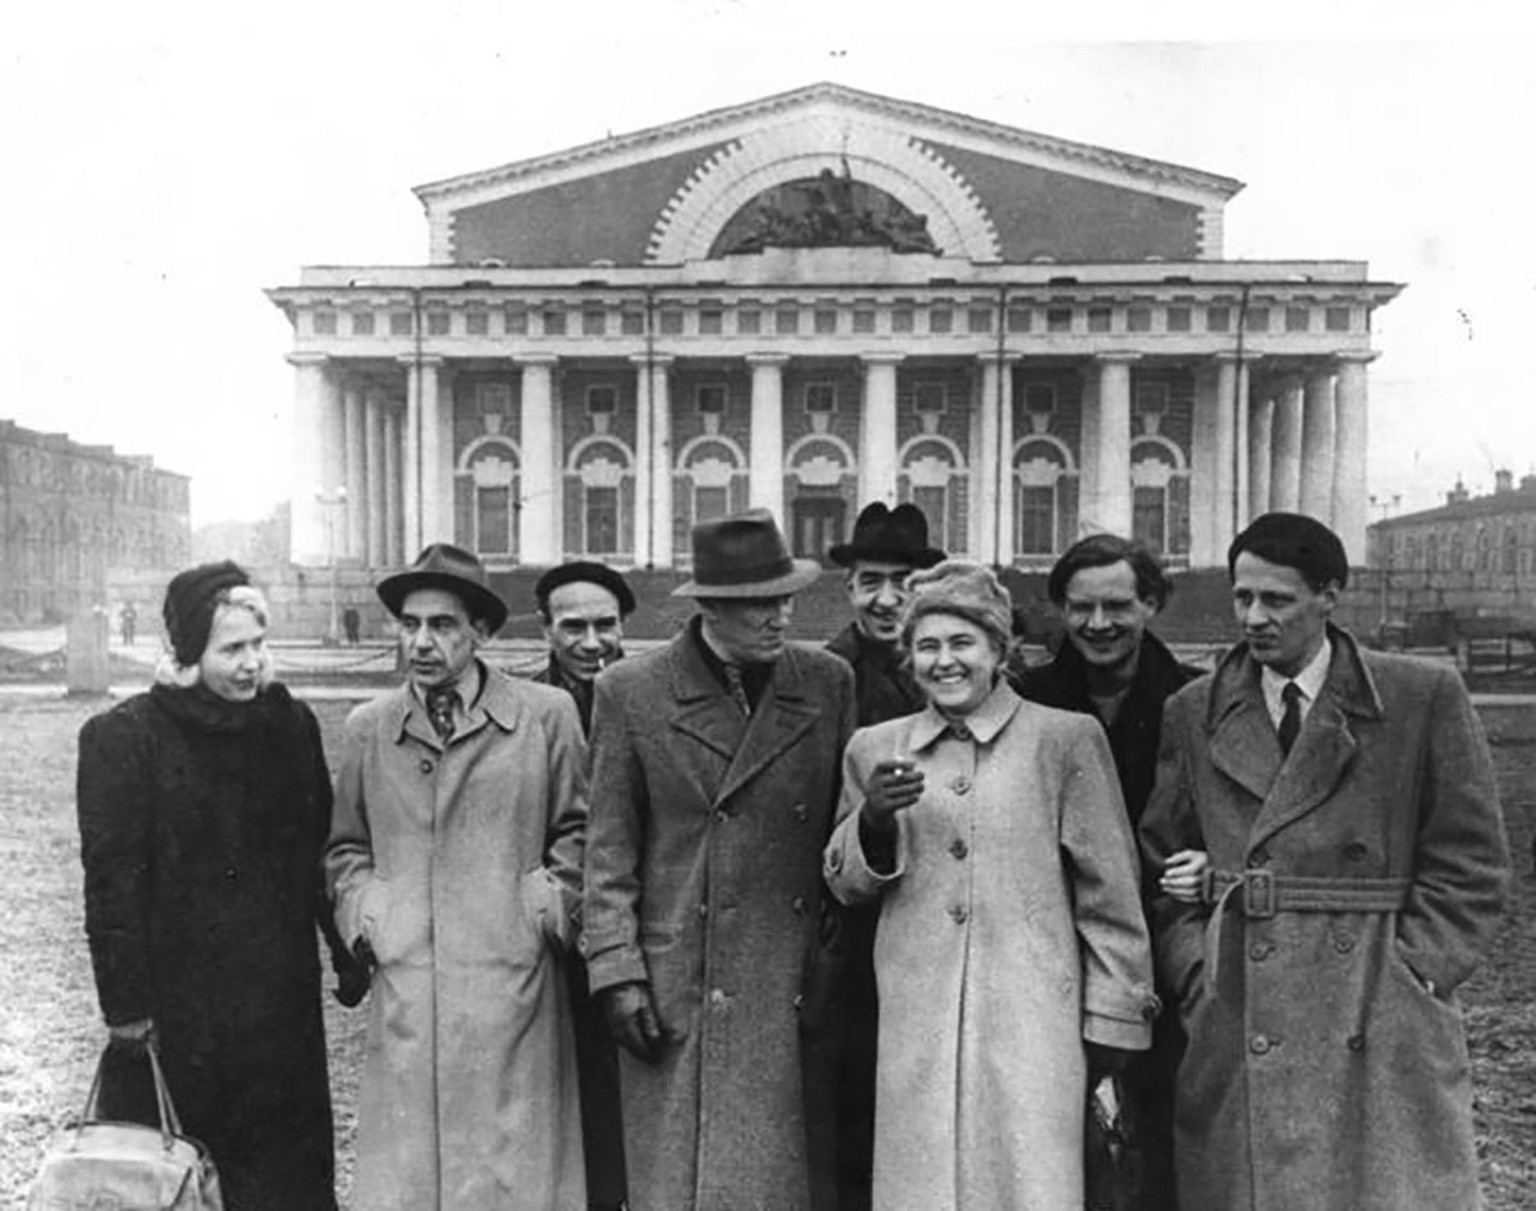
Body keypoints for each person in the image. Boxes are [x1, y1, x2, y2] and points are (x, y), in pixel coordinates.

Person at [1140, 512, 1510, 1211]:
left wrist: (1417, 970)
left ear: (1329, 596)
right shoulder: (1194, 709)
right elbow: (1161, 860)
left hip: (1377, 1001)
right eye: (1243, 597)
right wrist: (1197, 975)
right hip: (1239, 1000)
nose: (1254, 617)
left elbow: (1472, 862)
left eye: (1276, 599)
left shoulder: (1419, 697)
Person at [824, 560, 1157, 1210]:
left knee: (1027, 1184)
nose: (944, 661)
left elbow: (1111, 895)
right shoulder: (874, 747)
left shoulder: (1064, 740)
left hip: (1035, 1025)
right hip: (917, 1029)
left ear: (999, 651)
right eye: (927, 646)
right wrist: (872, 822)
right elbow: (844, 885)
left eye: (962, 643)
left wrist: (1113, 1026)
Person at [583, 509, 857, 1211]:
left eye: (785, 598)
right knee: (678, 1184)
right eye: (759, 603)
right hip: (677, 980)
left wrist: (828, 957)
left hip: (787, 979)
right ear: (708, 606)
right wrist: (616, 971)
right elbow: (608, 848)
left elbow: (843, 831)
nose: (780, 616)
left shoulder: (827, 682)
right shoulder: (632, 691)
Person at [76, 561, 355, 1210]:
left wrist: (345, 954)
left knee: (286, 1178)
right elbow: (111, 885)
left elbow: (317, 849)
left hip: (280, 1003)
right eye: (231, 649)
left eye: (258, 643)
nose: (251, 663)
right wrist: (126, 1008)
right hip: (183, 1012)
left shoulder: (290, 725)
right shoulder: (125, 737)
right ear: (187, 652)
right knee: (183, 1177)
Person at [326, 543, 588, 1210]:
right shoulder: (369, 728)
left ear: (482, 631)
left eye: (442, 624)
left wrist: (544, 907)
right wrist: (370, 915)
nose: (421, 641)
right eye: (409, 624)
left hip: (515, 982)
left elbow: (580, 831)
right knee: (412, 1176)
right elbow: (346, 846)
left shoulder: (547, 715)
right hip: (409, 987)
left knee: (513, 1175)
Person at [1012, 532, 1203, 1211]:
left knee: (1166, 1134)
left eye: (1117, 605)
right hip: (1055, 948)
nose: (1098, 624)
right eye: (1081, 607)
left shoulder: (1195, 699)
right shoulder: (1025, 700)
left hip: (1166, 945)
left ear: (1150, 602)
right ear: (1060, 609)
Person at [822, 501, 944, 1211]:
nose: (887, 598)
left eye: (905, 582)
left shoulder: (954, 667)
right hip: (855, 928)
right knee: (855, 1105)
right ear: (849, 589)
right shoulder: (822, 673)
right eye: (871, 581)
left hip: (943, 918)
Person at [530, 560, 637, 1211]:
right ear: (545, 629)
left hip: (631, 935)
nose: (592, 642)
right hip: (553, 941)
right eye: (574, 626)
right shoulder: (524, 711)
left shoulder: (647, 698)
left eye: (606, 624)